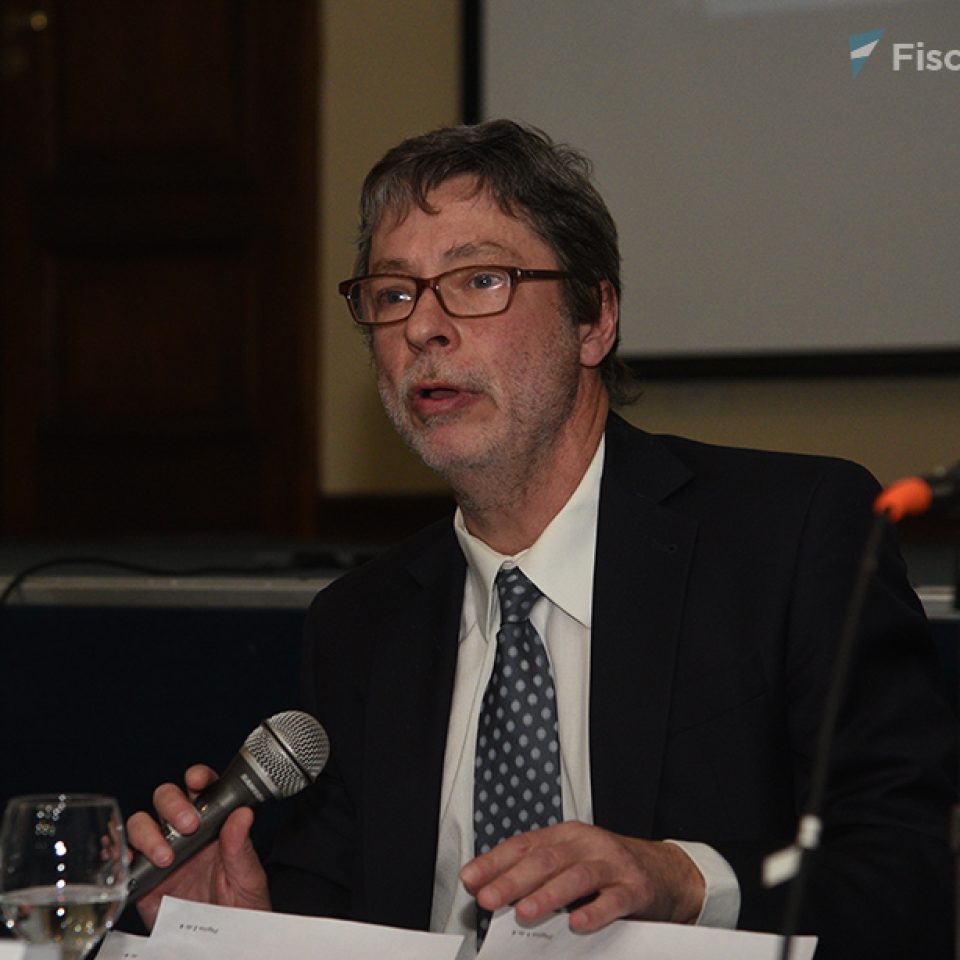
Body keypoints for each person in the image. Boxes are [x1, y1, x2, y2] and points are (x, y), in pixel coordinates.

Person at [128, 120, 956, 958]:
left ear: (595, 319)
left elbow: (908, 878)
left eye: (479, 280)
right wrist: (247, 927)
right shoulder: (360, 624)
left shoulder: (790, 536)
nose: (424, 327)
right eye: (394, 293)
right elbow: (343, 924)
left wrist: (685, 880)